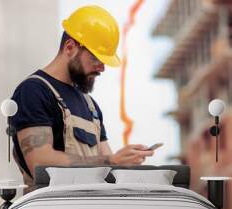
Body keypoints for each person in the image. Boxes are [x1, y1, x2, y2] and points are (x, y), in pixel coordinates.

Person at [10, 5, 154, 194]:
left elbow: (107, 164)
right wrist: (111, 161)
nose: (102, 68)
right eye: (96, 59)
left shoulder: (91, 105)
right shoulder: (33, 92)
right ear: (70, 47)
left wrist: (125, 162)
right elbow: (41, 163)